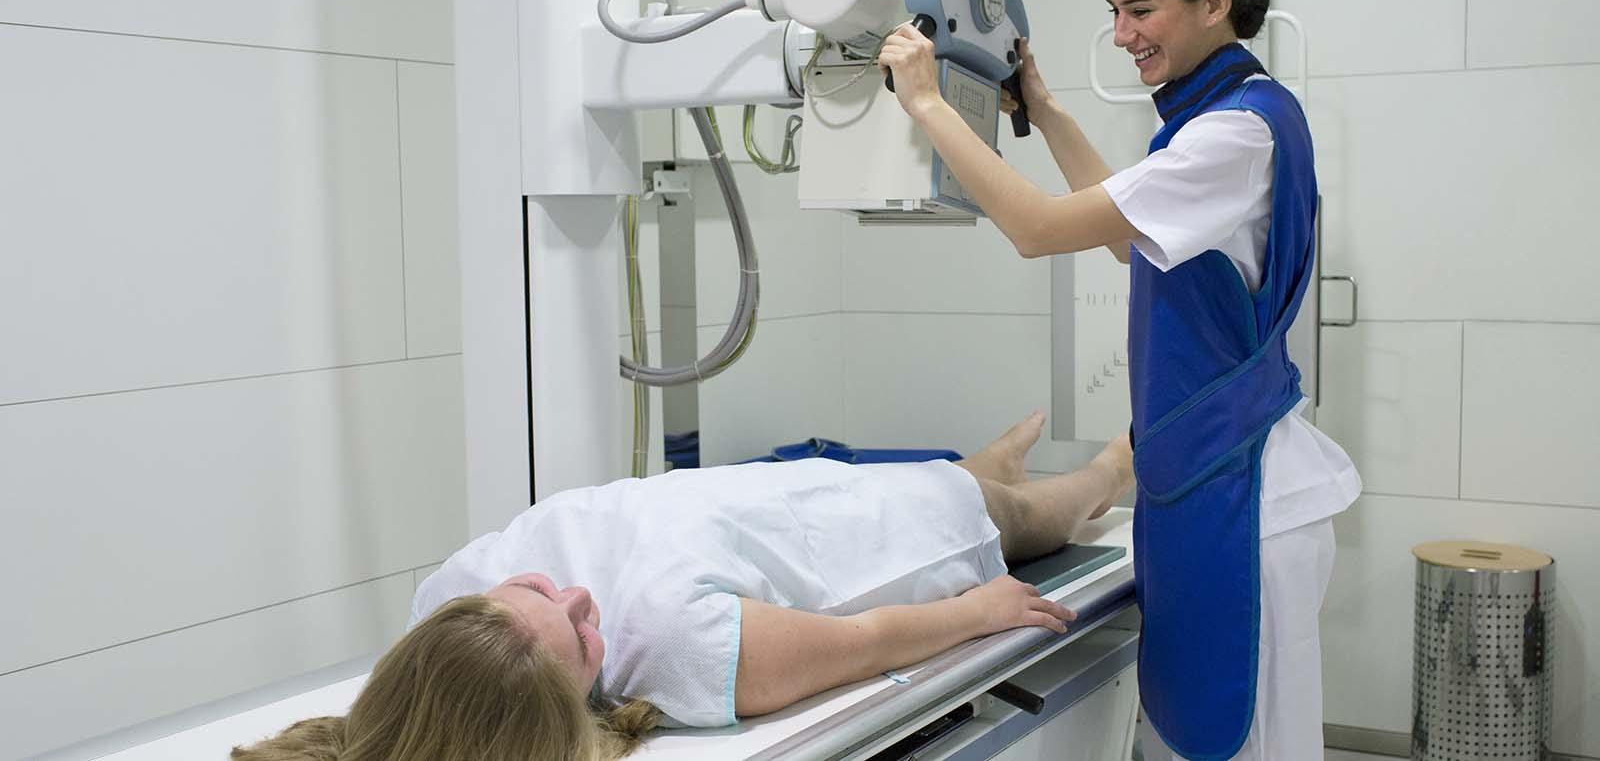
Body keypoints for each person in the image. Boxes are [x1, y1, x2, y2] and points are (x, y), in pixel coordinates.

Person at [875, 0, 1362, 761]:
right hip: (1214, 475)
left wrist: (928, 105)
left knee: (1243, 739)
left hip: (1243, 495)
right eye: (1114, 11)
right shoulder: (1234, 115)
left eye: (1142, 11)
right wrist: (1047, 108)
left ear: (1215, 1)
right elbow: (1126, 241)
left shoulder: (1234, 134)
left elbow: (1037, 231)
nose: (1123, 33)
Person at [232, 414, 1135, 761]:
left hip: (757, 499)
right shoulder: (681, 648)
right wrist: (975, 614)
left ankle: (994, 465)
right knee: (1033, 517)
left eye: (538, 589)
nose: (583, 598)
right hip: (881, 535)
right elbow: (865, 642)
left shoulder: (447, 607)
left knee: (964, 481)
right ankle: (1108, 471)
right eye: (581, 638)